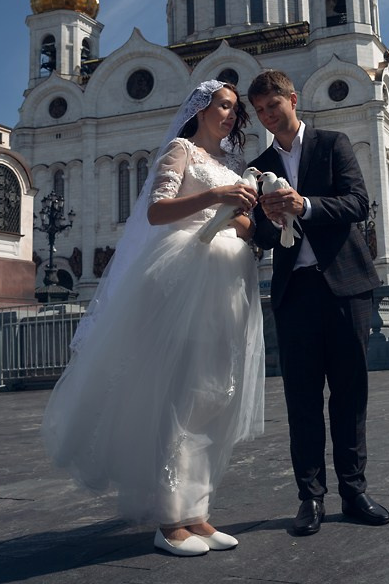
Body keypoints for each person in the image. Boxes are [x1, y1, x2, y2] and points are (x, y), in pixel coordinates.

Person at [41, 80, 264, 558]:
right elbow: (157, 211)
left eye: (234, 109)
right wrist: (216, 196)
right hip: (184, 277)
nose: (230, 115)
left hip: (227, 282)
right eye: (223, 106)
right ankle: (168, 519)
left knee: (213, 393)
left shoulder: (229, 166)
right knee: (178, 393)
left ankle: (196, 511)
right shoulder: (180, 151)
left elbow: (245, 227)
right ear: (200, 108)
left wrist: (242, 210)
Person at [247, 70, 389, 535]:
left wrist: (304, 205)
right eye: (260, 111)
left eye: (273, 105)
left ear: (293, 100)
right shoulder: (259, 166)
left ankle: (354, 491)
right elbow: (262, 236)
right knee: (302, 400)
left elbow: (357, 204)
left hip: (346, 286)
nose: (268, 116)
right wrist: (270, 220)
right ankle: (310, 498)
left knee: (350, 394)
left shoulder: (332, 144)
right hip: (295, 293)